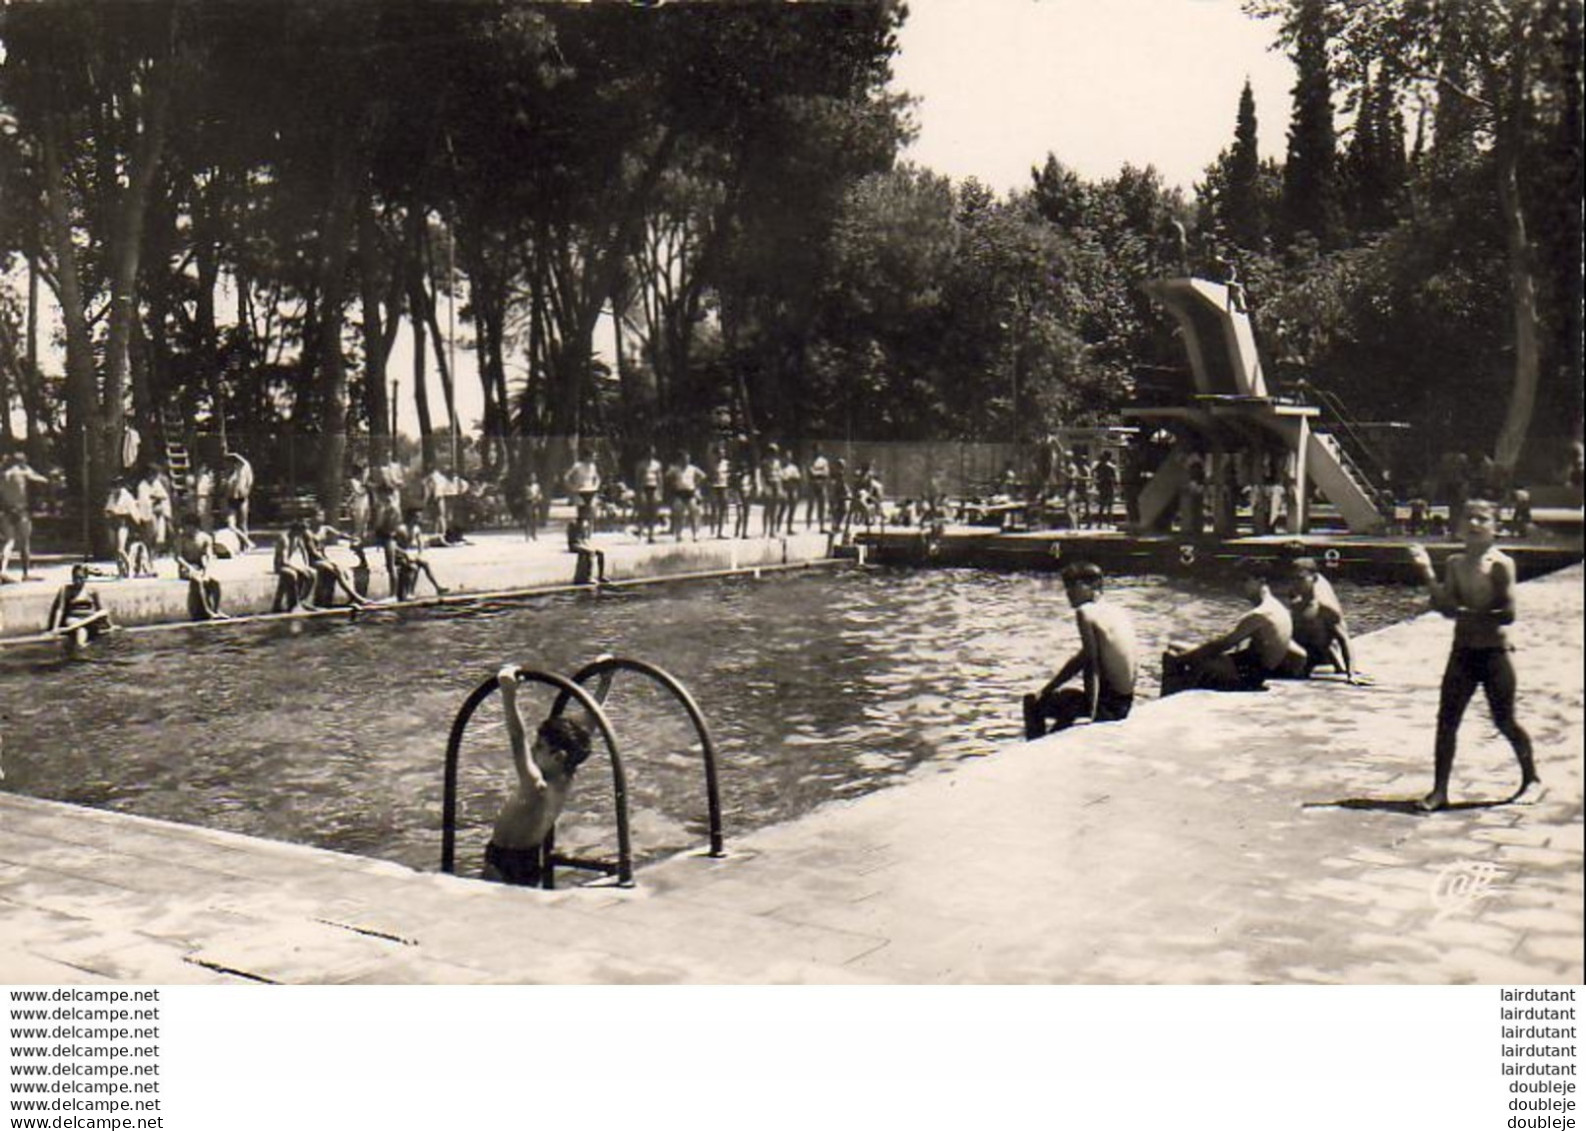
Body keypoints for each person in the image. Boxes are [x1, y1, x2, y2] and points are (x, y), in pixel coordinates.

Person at [1407, 500, 1539, 812]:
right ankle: (1440, 791)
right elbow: (1446, 608)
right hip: (1463, 651)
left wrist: (1464, 612)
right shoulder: (1454, 563)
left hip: (1494, 653)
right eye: (1469, 518)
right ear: (1460, 526)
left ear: (1495, 528)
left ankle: (1531, 778)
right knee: (1446, 722)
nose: (1475, 524)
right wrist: (1426, 571)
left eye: (1483, 518)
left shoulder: (1500, 564)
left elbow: (1507, 614)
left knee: (1504, 720)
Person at [482, 666, 595, 887]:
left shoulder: (535, 784)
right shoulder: (567, 776)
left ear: (558, 756)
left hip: (503, 859)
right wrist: (604, 681)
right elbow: (590, 723)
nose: (533, 750)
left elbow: (517, 739)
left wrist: (508, 693)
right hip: (530, 859)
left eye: (539, 746)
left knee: (492, 911)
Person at [1023, 562, 1139, 739]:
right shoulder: (1117, 611)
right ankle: (1054, 737)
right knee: (1062, 703)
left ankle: (1034, 747)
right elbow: (1082, 658)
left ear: (1091, 586)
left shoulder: (1086, 612)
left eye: (1073, 586)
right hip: (1124, 703)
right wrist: (1048, 689)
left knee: (1032, 703)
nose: (1068, 593)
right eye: (1066, 586)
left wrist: (1094, 716)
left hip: (1106, 706)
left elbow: (1091, 666)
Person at [1163, 559, 1308, 693]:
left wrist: (1183, 659)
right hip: (1253, 670)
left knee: (1172, 654)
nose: (1240, 585)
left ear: (1261, 581)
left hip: (1247, 676)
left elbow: (1221, 645)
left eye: (1245, 580)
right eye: (1238, 580)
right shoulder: (1278, 608)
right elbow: (1297, 652)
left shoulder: (1261, 613)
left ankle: (1167, 701)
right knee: (1178, 647)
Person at [1288, 557, 1354, 682]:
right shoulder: (1296, 605)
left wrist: (1351, 674)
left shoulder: (1324, 608)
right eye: (1293, 579)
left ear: (1315, 579)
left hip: (1311, 657)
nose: (1296, 584)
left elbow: (1344, 639)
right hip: (1301, 655)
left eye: (1301, 579)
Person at [301, 507, 371, 608]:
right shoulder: (308, 533)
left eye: (322, 515)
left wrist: (352, 538)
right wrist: (328, 561)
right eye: (319, 516)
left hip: (324, 560)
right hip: (315, 561)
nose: (322, 518)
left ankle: (352, 598)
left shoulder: (325, 529)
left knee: (342, 570)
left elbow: (339, 534)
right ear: (312, 517)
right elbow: (313, 552)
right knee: (336, 569)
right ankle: (356, 597)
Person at [1, 452, 50, 580]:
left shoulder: (4, 475)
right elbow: (42, 479)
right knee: (24, 543)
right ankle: (25, 573)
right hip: (21, 510)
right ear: (23, 461)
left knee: (9, 541)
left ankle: (3, 569)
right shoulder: (23, 472)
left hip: (6, 511)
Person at [175, 513, 227, 621]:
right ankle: (208, 611)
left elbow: (209, 556)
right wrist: (190, 568)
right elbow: (178, 557)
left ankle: (216, 609)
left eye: (188, 527)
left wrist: (207, 572)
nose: (186, 530)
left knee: (215, 582)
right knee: (198, 581)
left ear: (195, 527)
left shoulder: (205, 538)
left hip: (200, 566)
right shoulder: (181, 538)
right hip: (186, 567)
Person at [47, 565, 112, 650]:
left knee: (103, 613)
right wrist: (55, 627)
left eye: (81, 578)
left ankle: (68, 630)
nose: (78, 581)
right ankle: (81, 646)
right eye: (75, 578)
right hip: (74, 619)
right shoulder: (66, 590)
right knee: (81, 631)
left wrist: (110, 625)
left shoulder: (92, 590)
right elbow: (60, 609)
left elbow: (100, 608)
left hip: (90, 618)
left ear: (86, 578)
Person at [393, 509, 446, 600]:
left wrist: (420, 553)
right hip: (400, 555)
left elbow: (420, 540)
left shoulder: (416, 528)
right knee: (413, 567)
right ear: (411, 518)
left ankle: (437, 587)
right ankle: (409, 592)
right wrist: (404, 554)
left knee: (425, 563)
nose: (418, 519)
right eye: (417, 517)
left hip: (410, 554)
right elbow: (393, 546)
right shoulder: (401, 529)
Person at [272, 524, 318, 612]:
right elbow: (284, 561)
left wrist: (306, 565)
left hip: (288, 564)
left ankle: (303, 600)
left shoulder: (297, 538)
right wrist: (299, 569)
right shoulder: (284, 539)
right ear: (295, 531)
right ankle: (293, 604)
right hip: (280, 566)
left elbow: (303, 551)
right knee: (293, 574)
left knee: (312, 573)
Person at [223, 451, 255, 552]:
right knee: (231, 525)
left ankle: (244, 547)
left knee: (243, 524)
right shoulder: (228, 473)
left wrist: (234, 454)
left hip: (242, 499)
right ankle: (248, 542)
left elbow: (244, 463)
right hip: (231, 500)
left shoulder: (243, 470)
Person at [564, 446, 601, 526]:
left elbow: (597, 478)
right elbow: (566, 477)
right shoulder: (577, 466)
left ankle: (588, 531)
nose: (593, 459)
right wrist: (571, 487)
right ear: (587, 457)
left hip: (591, 490)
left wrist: (596, 485)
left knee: (591, 511)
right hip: (580, 491)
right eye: (592, 457)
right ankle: (579, 530)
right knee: (581, 512)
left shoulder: (593, 466)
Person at [635, 445, 664, 543]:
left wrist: (660, 491)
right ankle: (640, 534)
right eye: (650, 452)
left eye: (653, 452)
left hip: (654, 488)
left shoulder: (657, 464)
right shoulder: (641, 464)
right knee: (642, 511)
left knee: (653, 512)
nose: (651, 454)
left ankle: (651, 536)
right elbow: (637, 479)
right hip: (644, 488)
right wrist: (638, 492)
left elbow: (660, 479)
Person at [567, 515, 607, 585]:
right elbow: (573, 539)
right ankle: (588, 577)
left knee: (600, 553)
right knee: (590, 552)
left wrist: (588, 545)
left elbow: (585, 539)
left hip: (583, 544)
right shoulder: (573, 524)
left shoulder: (585, 524)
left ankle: (601, 576)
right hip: (574, 545)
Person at [806, 444, 831, 532]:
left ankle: (822, 526)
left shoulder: (824, 461)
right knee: (811, 505)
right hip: (812, 484)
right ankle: (808, 525)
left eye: (818, 450)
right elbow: (810, 472)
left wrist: (817, 472)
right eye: (815, 450)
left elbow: (826, 473)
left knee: (822, 506)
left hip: (821, 484)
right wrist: (819, 472)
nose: (816, 452)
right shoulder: (809, 460)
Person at [1092, 451, 1118, 527]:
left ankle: (1103, 522)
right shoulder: (1108, 466)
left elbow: (1094, 472)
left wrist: (1097, 480)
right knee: (1107, 505)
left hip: (1105, 486)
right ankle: (1107, 522)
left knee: (1104, 505)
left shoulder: (1102, 465)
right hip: (1107, 486)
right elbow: (1114, 478)